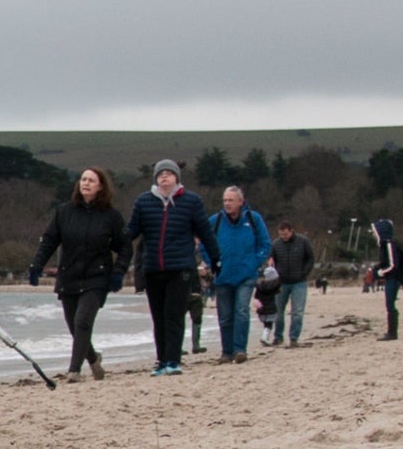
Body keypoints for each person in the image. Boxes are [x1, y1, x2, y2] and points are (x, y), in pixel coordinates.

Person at [27, 167, 130, 380]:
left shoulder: (111, 216)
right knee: (75, 326)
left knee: (83, 321)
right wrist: (37, 265)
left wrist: (118, 272)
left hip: (97, 277)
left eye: (91, 180)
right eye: (83, 179)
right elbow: (49, 241)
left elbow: (126, 247)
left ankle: (74, 370)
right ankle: (93, 359)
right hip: (69, 276)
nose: (86, 183)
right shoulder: (64, 212)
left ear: (101, 186)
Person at [126, 160, 214, 375]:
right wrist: (111, 240)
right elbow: (131, 232)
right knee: (158, 317)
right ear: (155, 178)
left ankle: (173, 361)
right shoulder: (144, 201)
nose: (165, 177)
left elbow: (205, 233)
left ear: (177, 178)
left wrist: (216, 259)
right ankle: (161, 360)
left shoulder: (191, 201)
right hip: (153, 268)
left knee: (174, 315)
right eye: (161, 174)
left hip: (180, 268)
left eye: (169, 174)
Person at [203, 184, 272, 363]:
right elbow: (203, 243)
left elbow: (265, 244)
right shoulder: (215, 221)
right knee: (225, 316)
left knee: (241, 311)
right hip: (223, 275)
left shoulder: (254, 219)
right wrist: (212, 262)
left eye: (231, 200)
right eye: (225, 200)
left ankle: (240, 349)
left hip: (246, 275)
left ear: (241, 202)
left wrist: (255, 263)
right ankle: (227, 352)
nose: (227, 203)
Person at [267, 219, 316, 345]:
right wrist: (270, 265)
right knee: (278, 311)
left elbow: (311, 258)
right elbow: (271, 259)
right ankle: (278, 336)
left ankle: (294, 338)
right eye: (281, 234)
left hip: (299, 282)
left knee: (297, 312)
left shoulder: (303, 241)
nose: (283, 237)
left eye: (286, 234)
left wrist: (304, 272)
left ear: (291, 231)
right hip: (281, 282)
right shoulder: (276, 244)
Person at [372, 218, 403, 340]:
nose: (373, 234)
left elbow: (392, 265)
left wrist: (380, 272)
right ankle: (391, 332)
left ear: (381, 231)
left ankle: (392, 333)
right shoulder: (384, 245)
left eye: (375, 231)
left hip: (394, 278)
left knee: (390, 304)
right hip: (391, 278)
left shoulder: (389, 245)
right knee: (389, 304)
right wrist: (377, 268)